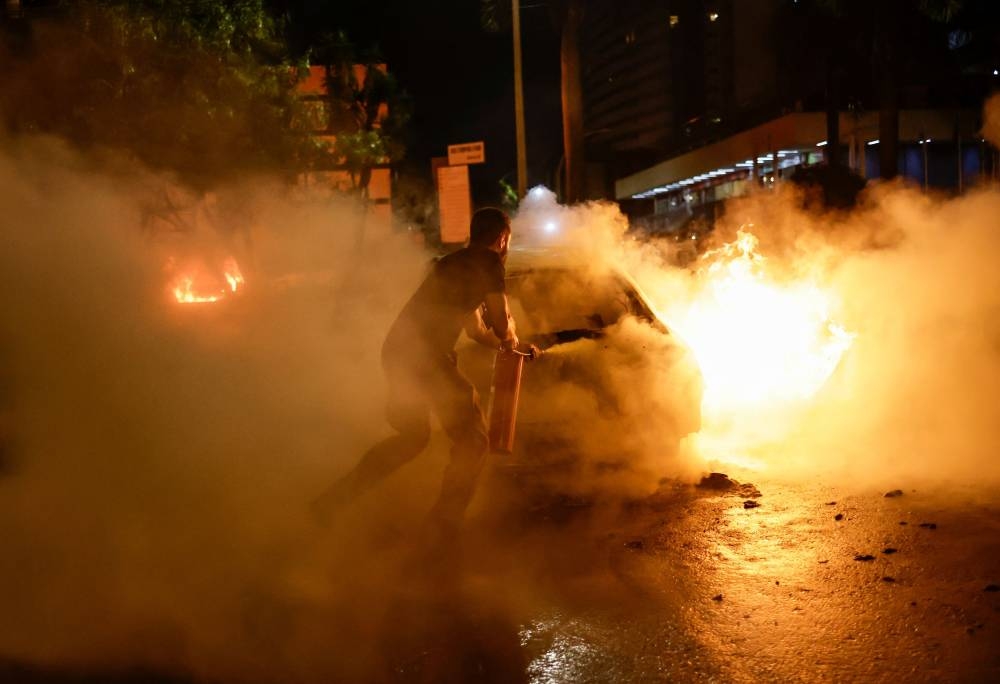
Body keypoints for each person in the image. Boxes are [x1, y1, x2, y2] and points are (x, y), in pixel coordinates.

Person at [313, 207, 534, 532]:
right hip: (425, 357)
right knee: (473, 439)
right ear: (503, 239)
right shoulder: (489, 264)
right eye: (507, 241)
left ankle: (332, 502)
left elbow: (476, 331)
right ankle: (442, 528)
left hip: (399, 352)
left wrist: (513, 347)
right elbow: (501, 325)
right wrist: (513, 336)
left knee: (413, 438)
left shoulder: (453, 264)